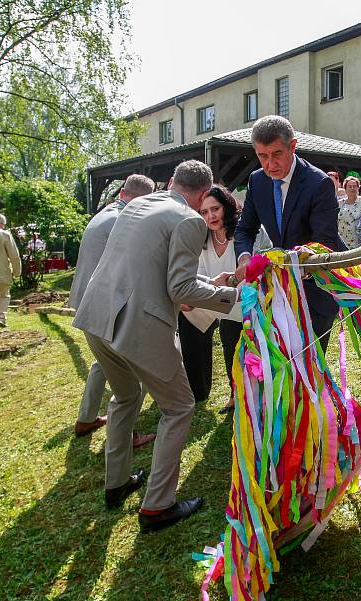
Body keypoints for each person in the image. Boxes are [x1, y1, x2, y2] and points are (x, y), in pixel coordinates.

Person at [73, 160, 238, 532]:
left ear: (170, 182)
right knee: (179, 406)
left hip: (96, 317)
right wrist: (232, 295)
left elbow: (154, 270)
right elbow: (180, 290)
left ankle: (116, 483)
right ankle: (157, 506)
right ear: (201, 196)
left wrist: (206, 284)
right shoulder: (190, 220)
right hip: (136, 326)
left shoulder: (135, 205)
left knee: (125, 398)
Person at [234, 115, 346, 351]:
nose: (269, 165)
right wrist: (244, 257)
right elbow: (245, 229)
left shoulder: (319, 183)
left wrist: (279, 265)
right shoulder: (257, 181)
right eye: (262, 156)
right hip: (279, 294)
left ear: (293, 146)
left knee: (310, 369)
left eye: (276, 154)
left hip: (315, 292)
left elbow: (323, 244)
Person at [69, 174, 157, 446]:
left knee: (104, 361)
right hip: (107, 302)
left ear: (122, 191)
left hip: (86, 298)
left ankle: (86, 417)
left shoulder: (104, 213)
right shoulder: (125, 220)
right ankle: (127, 434)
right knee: (128, 367)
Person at [178, 185, 244, 414]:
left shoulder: (245, 232)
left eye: (214, 209)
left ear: (226, 206)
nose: (211, 216)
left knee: (253, 353)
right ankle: (235, 395)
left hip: (250, 306)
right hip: (223, 305)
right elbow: (201, 274)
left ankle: (257, 398)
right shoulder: (202, 239)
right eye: (204, 212)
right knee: (229, 349)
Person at [337, 176, 361, 249]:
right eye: (349, 186)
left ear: (358, 188)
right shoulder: (340, 203)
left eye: (354, 186)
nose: (352, 188)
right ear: (345, 189)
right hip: (342, 240)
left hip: (358, 241)